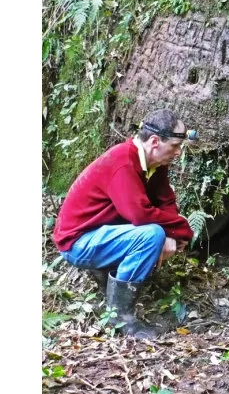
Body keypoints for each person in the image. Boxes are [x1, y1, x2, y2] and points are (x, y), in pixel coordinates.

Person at [52, 109, 195, 339]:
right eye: (175, 147)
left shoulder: (154, 163)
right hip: (77, 242)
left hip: (102, 232)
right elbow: (140, 215)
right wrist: (182, 230)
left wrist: (174, 233)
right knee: (151, 235)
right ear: (155, 141)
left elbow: (165, 199)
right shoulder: (123, 162)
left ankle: (109, 283)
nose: (178, 153)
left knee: (157, 232)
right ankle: (121, 321)